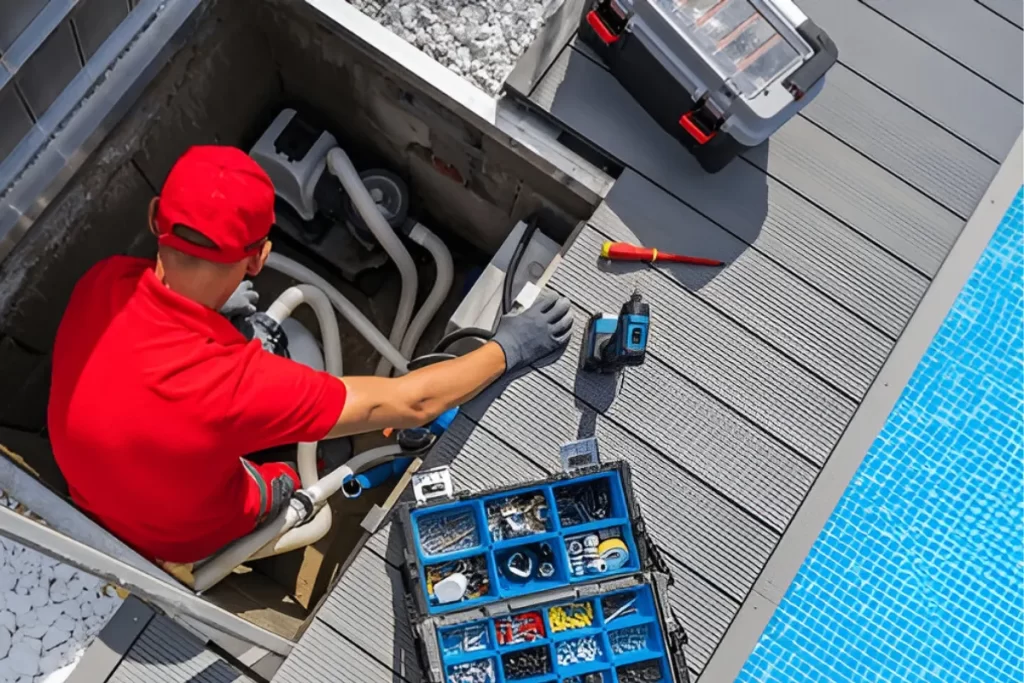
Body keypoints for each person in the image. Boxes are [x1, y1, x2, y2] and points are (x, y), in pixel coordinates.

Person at [47, 145, 573, 565]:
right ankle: (315, 469)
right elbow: (411, 404)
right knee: (293, 477)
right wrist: (509, 347)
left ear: (156, 219)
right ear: (258, 258)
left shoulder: (104, 283)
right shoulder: (237, 386)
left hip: (87, 494)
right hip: (176, 536)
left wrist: (215, 310)